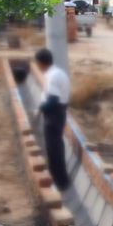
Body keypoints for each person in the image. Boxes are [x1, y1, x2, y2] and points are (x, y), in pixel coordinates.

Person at [35, 49, 71, 191]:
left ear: (41, 63)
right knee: (56, 146)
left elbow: (53, 101)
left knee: (53, 149)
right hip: (58, 113)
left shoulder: (52, 76)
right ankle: (60, 179)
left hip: (54, 115)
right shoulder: (57, 72)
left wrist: (40, 109)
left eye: (37, 63)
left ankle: (60, 182)